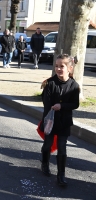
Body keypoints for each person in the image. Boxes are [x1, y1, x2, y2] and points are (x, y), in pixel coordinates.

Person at [39, 54, 79, 186]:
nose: (58, 69)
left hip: (64, 122)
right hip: (50, 121)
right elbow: (46, 101)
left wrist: (61, 106)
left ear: (70, 68)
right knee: (48, 145)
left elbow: (75, 104)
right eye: (56, 66)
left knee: (62, 147)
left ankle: (61, 174)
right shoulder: (50, 83)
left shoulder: (74, 85)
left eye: (62, 66)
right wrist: (52, 106)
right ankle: (45, 163)